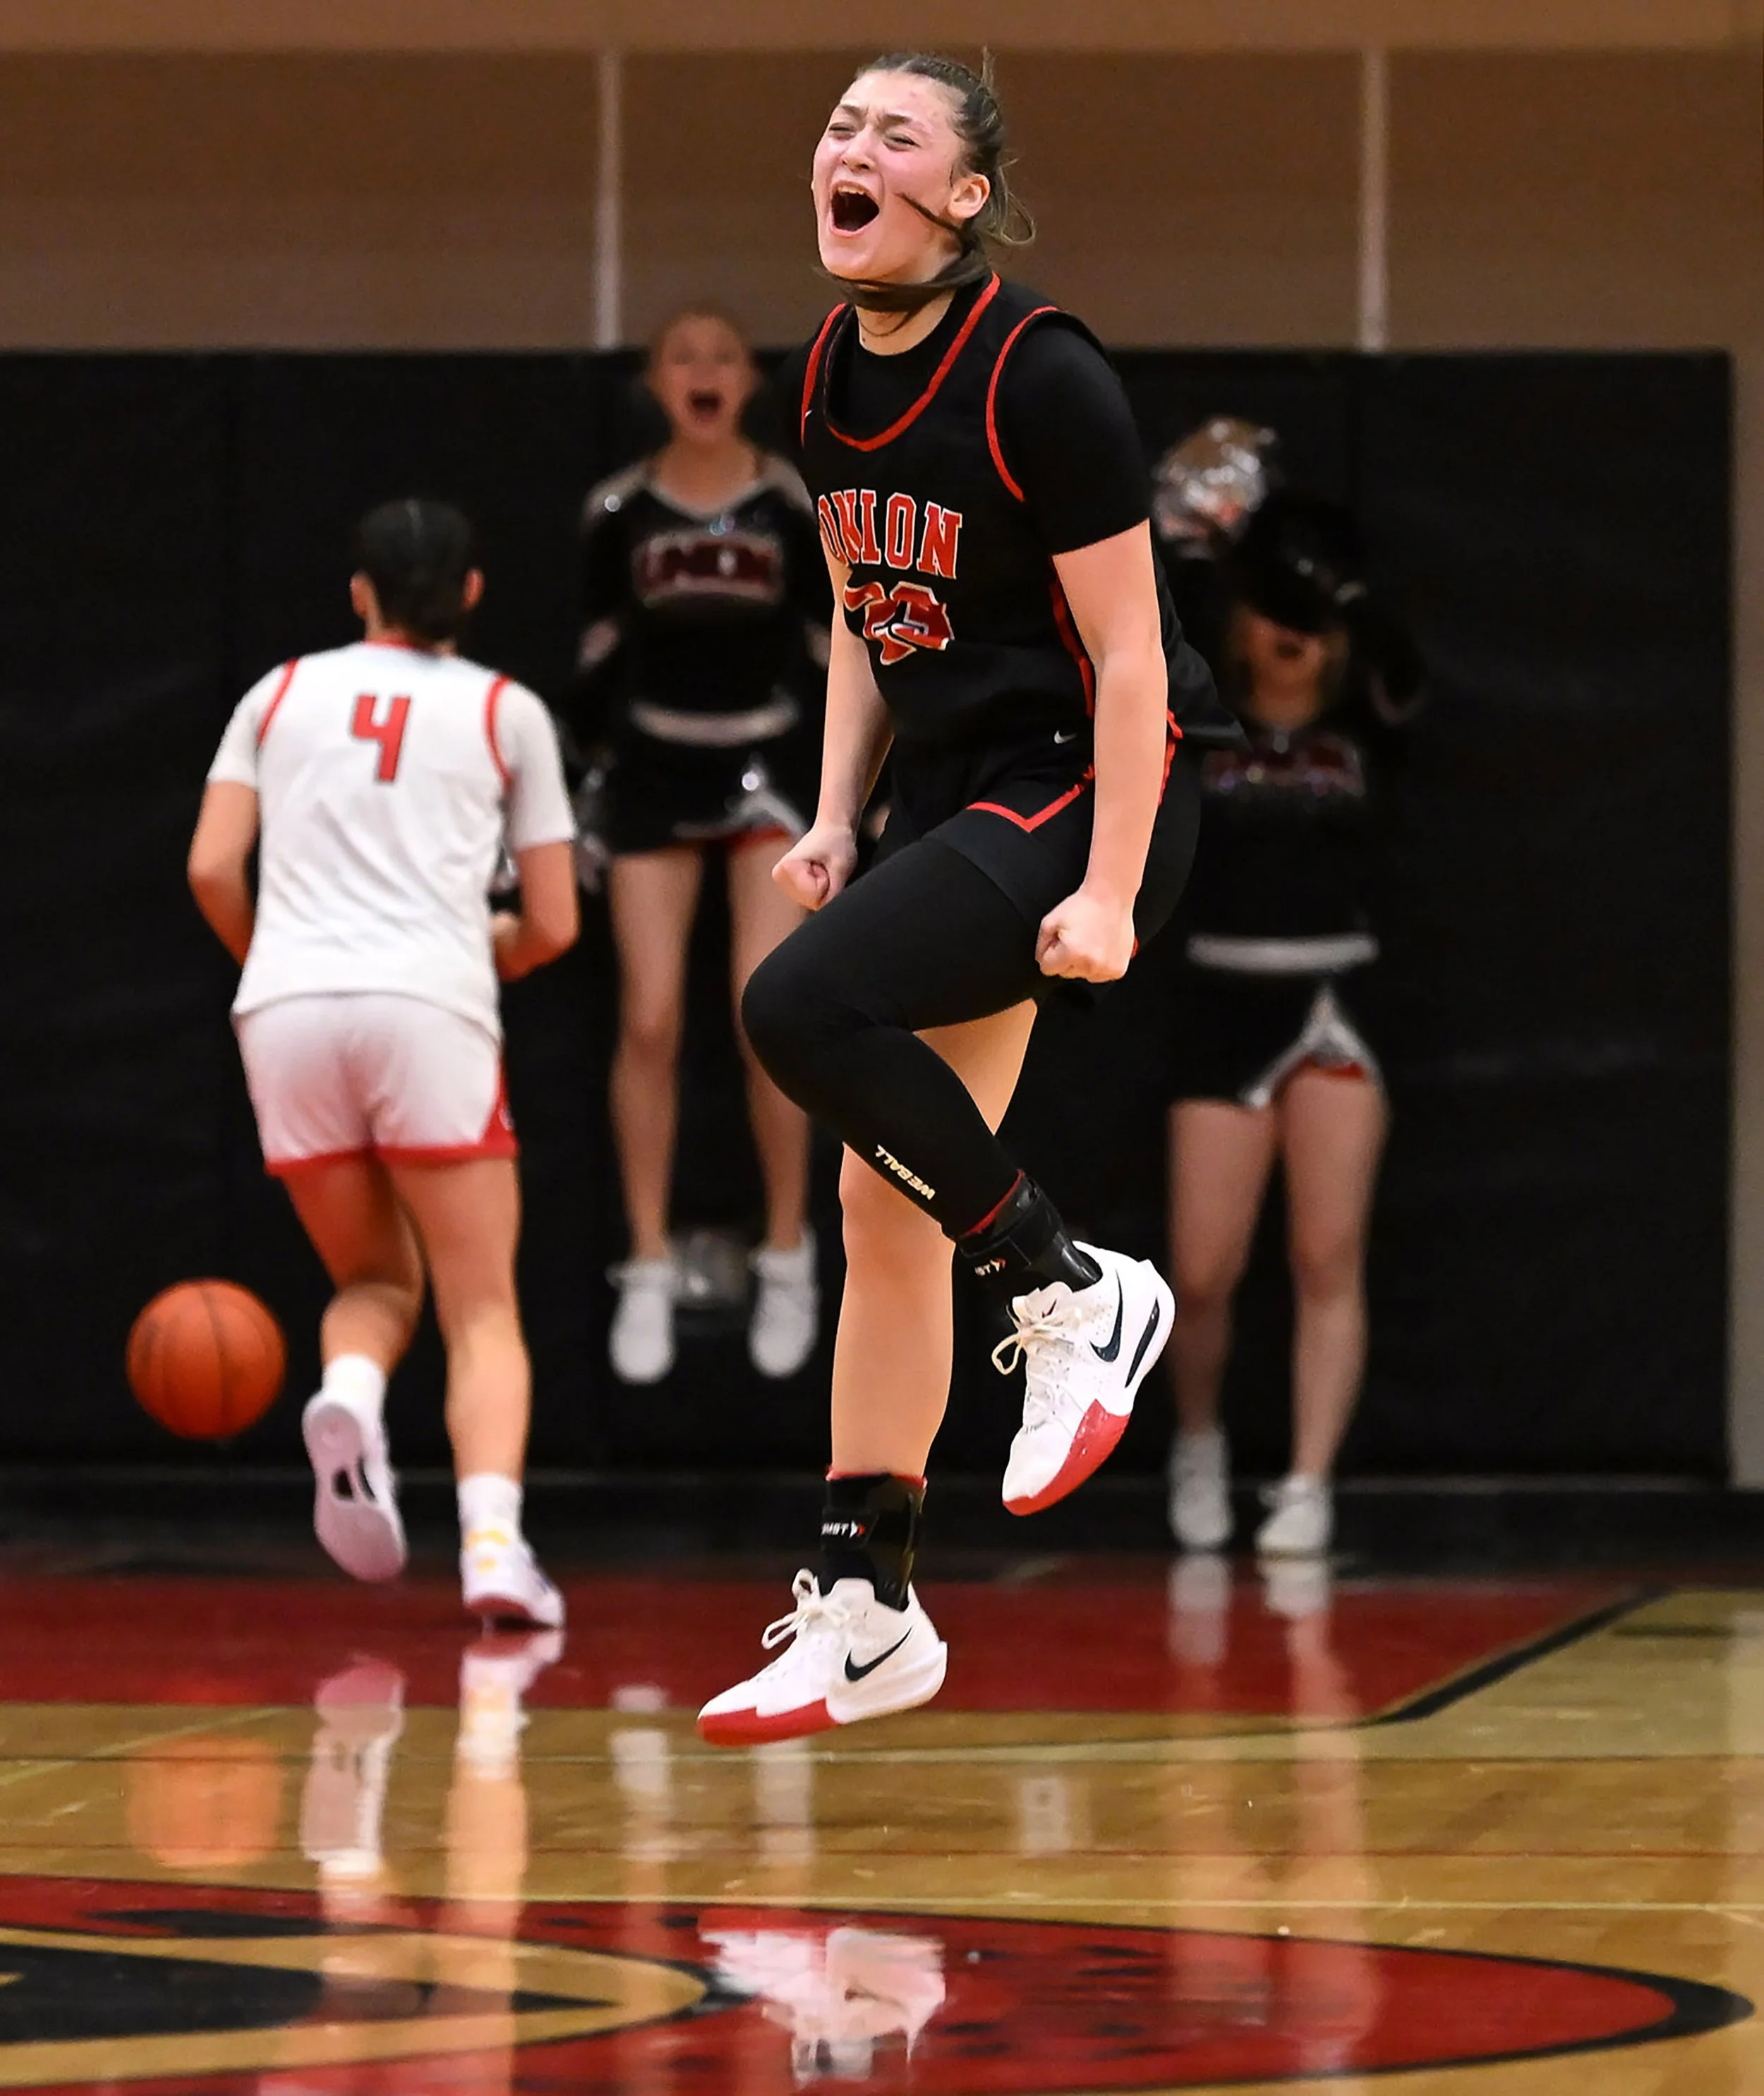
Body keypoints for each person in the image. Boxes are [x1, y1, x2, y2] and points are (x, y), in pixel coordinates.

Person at [696, 52, 1240, 1746]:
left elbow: (1139, 655)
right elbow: (866, 607)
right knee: (878, 1214)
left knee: (792, 1005)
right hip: (952, 792)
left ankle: (1072, 1286)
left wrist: (1110, 886)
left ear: (963, 196)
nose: (849, 150)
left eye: (894, 134)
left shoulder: (1039, 371)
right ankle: (868, 1607)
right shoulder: (821, 384)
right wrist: (839, 810)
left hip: (1087, 772)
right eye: (839, 127)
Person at [187, 499, 579, 1627]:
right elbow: (551, 921)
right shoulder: (510, 710)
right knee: (482, 1308)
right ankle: (494, 1547)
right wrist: (463, 953)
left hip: (285, 1005)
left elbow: (214, 866)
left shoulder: (278, 691)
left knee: (372, 1281)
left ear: (356, 591)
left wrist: (287, 965)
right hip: (430, 999)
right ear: (469, 594)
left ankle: (351, 1391)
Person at [1160, 490, 1425, 1559]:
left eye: (1312, 620)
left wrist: (1334, 587)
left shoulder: (1369, 724)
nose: (1294, 634)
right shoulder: (1203, 714)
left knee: (1328, 1252)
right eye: (1277, 611)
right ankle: (1197, 1439)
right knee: (1204, 1270)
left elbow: (1405, 660)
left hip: (1333, 1002)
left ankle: (1309, 1480)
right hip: (1223, 997)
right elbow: (1149, 641)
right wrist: (1216, 549)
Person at [573, 309, 830, 1386]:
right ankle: (642, 1257)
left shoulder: (789, 502)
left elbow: (833, 650)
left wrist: (840, 797)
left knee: (759, 1011)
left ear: (753, 379)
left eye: (725, 353)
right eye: (684, 355)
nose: (704, 370)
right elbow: (594, 651)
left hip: (764, 762)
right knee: (649, 1015)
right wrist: (588, 781)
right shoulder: (618, 507)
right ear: (654, 382)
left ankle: (787, 1250)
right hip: (652, 767)